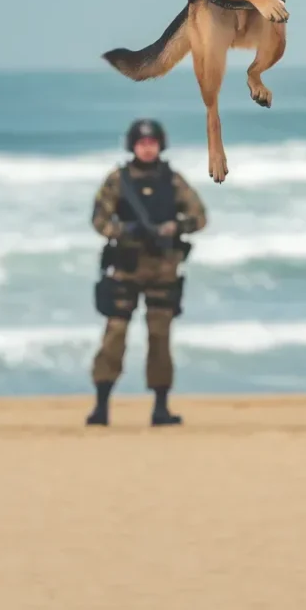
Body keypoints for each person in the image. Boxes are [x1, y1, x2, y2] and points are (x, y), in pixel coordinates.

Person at [87, 118, 207, 426]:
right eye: (142, 144)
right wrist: (122, 230)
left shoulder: (173, 180)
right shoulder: (118, 180)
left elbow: (199, 217)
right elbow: (99, 219)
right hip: (125, 269)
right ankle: (101, 405)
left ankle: (161, 407)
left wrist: (174, 227)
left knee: (159, 338)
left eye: (152, 143)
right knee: (114, 336)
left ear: (160, 145)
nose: (147, 148)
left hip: (162, 270)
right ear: (133, 146)